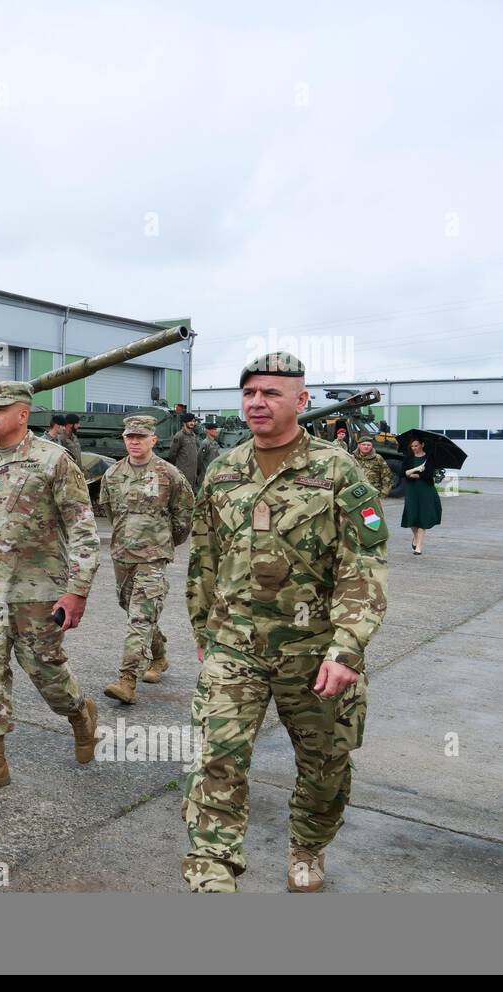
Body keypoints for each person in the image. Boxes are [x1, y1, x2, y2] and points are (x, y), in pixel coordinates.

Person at [184, 352, 388, 893]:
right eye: (249, 392)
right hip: (235, 646)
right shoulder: (223, 469)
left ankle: (308, 843)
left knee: (326, 768)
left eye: (271, 393)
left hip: (316, 652)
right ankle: (212, 875)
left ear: (301, 401)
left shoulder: (337, 470)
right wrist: (204, 631)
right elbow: (204, 556)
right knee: (215, 761)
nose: (257, 402)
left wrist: (347, 647)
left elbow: (362, 567)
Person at [0, 382, 101, 795]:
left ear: (23, 414)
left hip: (40, 590)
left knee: (45, 672)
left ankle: (79, 713)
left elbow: (83, 529)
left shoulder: (54, 460)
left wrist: (77, 590)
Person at [98, 415, 195, 705]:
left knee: (140, 615)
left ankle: (127, 680)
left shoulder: (169, 474)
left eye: (141, 437)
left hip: (153, 557)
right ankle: (160, 656)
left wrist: (165, 542)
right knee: (134, 610)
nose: (135, 442)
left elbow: (184, 514)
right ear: (124, 439)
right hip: (122, 554)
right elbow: (112, 513)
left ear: (153, 439)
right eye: (130, 437)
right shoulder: (112, 475)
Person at [400, 435, 441, 555]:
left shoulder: (430, 458)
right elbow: (402, 472)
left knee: (423, 516)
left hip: (426, 489)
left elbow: (429, 475)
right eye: (412, 446)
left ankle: (419, 547)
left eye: (416, 446)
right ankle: (416, 537)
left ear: (422, 445)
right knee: (412, 516)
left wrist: (414, 474)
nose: (414, 448)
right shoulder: (408, 458)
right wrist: (416, 469)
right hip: (411, 490)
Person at [353, 434, 393, 498]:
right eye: (363, 445)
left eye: (368, 445)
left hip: (373, 493)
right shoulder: (352, 458)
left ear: (372, 446)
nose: (366, 447)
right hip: (355, 492)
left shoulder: (378, 458)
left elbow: (387, 476)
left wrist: (384, 492)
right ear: (359, 445)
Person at [169, 411, 200, 489]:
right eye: (190, 421)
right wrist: (179, 467)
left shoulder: (193, 435)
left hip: (193, 472)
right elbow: (172, 454)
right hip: (184, 472)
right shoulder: (179, 436)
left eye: (193, 421)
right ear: (184, 422)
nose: (192, 423)